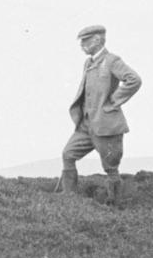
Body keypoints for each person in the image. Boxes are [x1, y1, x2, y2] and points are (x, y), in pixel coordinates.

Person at [58, 24, 141, 204]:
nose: (82, 45)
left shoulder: (112, 60)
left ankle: (115, 204)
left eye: (85, 41)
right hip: (86, 124)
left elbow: (134, 80)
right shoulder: (88, 63)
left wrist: (113, 101)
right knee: (68, 154)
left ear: (97, 40)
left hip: (106, 125)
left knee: (111, 168)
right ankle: (68, 198)